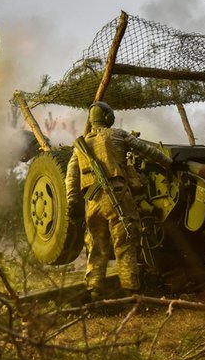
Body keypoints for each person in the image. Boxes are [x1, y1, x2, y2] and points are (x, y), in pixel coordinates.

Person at [64, 101, 176, 301]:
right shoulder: (118, 134)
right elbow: (147, 151)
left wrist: (72, 200)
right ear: (108, 117)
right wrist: (169, 163)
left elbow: (71, 177)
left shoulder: (80, 145)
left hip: (93, 201)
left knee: (96, 247)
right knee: (125, 242)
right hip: (118, 196)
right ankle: (130, 292)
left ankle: (94, 290)